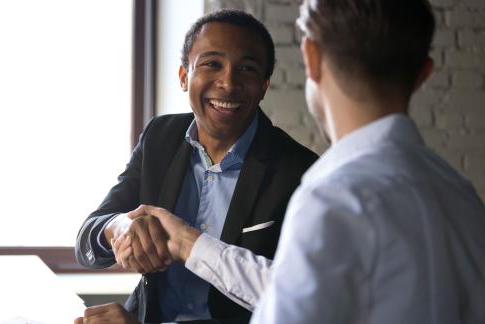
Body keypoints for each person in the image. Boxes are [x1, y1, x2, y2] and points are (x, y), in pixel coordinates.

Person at [117, 0, 485, 323]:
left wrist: (187, 244)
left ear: (311, 58)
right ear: (424, 72)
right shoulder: (463, 197)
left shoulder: (332, 196)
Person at [74, 9, 317, 324]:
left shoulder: (301, 172)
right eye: (211, 64)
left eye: (247, 69)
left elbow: (299, 304)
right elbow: (87, 238)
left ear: (264, 86)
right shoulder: (160, 137)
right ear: (184, 77)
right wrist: (120, 227)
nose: (228, 83)